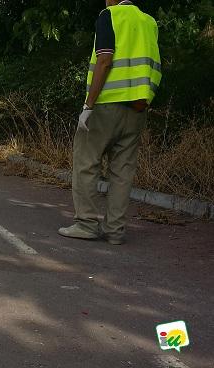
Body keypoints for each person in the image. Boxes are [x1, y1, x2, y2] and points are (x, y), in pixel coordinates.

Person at [58, 0, 162, 245]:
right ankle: (115, 231)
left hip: (106, 104)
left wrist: (88, 106)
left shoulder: (109, 15)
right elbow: (155, 66)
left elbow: (104, 60)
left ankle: (86, 224)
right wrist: (145, 100)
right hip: (137, 107)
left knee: (86, 162)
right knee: (122, 170)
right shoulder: (149, 22)